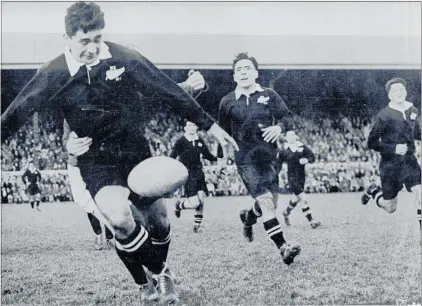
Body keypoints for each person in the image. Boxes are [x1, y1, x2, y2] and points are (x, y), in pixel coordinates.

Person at [1, 2, 238, 305]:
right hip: (95, 157)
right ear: (67, 38)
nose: (92, 48)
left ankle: (154, 279)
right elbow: (17, 113)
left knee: (160, 222)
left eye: (97, 39)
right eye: (84, 41)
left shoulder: (124, 57)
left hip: (134, 150)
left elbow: (167, 89)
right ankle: (160, 274)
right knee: (118, 217)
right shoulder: (53, 72)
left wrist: (210, 125)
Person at [217, 52, 301, 265]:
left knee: (270, 202)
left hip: (269, 157)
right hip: (245, 160)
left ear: (255, 72)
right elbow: (223, 133)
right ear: (234, 76)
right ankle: (283, 247)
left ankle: (247, 217)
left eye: (247, 68)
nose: (243, 72)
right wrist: (221, 157)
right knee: (266, 202)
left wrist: (279, 127)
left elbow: (288, 116)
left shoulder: (269, 95)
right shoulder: (227, 102)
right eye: (239, 70)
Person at [361, 78, 421, 229]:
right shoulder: (384, 115)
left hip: (409, 162)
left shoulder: (412, 110)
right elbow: (371, 143)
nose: (399, 92)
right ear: (389, 96)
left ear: (406, 92)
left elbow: (417, 132)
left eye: (401, 89)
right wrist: (393, 148)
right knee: (390, 207)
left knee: (420, 193)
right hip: (390, 165)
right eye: (394, 90)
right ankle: (374, 191)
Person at [170, 120, 218, 233]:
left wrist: (218, 159)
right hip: (188, 173)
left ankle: (196, 228)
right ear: (185, 128)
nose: (192, 127)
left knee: (201, 200)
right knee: (194, 202)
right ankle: (179, 205)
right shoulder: (180, 142)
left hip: (199, 173)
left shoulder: (199, 139)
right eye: (190, 125)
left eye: (194, 125)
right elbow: (172, 157)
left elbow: (207, 155)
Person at [278, 131, 321, 228]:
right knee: (304, 199)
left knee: (295, 199)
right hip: (292, 178)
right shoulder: (284, 149)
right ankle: (312, 221)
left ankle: (286, 213)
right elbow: (278, 162)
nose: (291, 137)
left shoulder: (301, 146)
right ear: (286, 138)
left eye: (293, 135)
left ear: (295, 136)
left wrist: (306, 160)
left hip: (301, 177)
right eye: (289, 136)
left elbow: (312, 157)